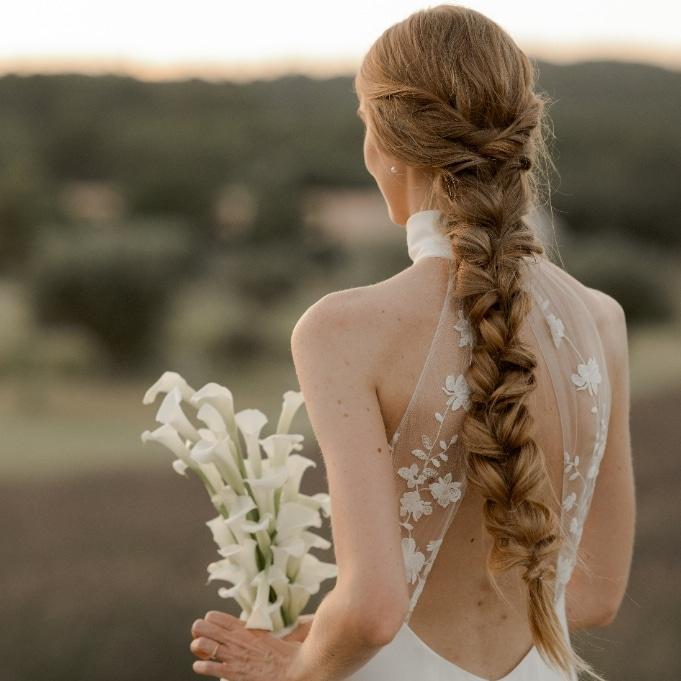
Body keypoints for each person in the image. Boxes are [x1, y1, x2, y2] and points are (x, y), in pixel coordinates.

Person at [188, 5, 635, 680]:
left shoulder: (341, 329)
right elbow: (596, 597)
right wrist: (331, 632)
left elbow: (371, 611)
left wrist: (296, 665)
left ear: (385, 144)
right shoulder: (601, 322)